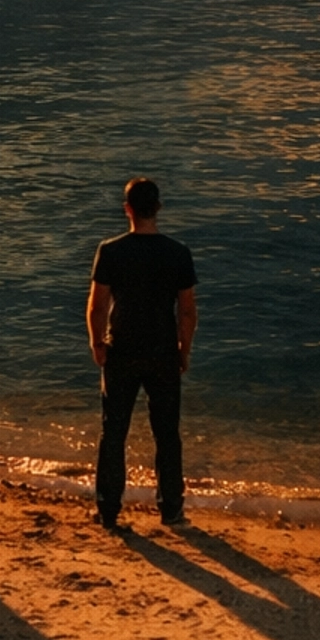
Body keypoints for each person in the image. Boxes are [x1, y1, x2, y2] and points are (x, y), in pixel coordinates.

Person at [87, 176, 197, 529]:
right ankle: (171, 509)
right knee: (166, 433)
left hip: (122, 349)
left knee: (114, 431)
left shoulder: (111, 250)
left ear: (128, 210)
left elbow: (97, 305)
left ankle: (108, 509)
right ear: (159, 209)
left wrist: (96, 341)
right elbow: (187, 311)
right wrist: (184, 350)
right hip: (162, 351)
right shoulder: (178, 253)